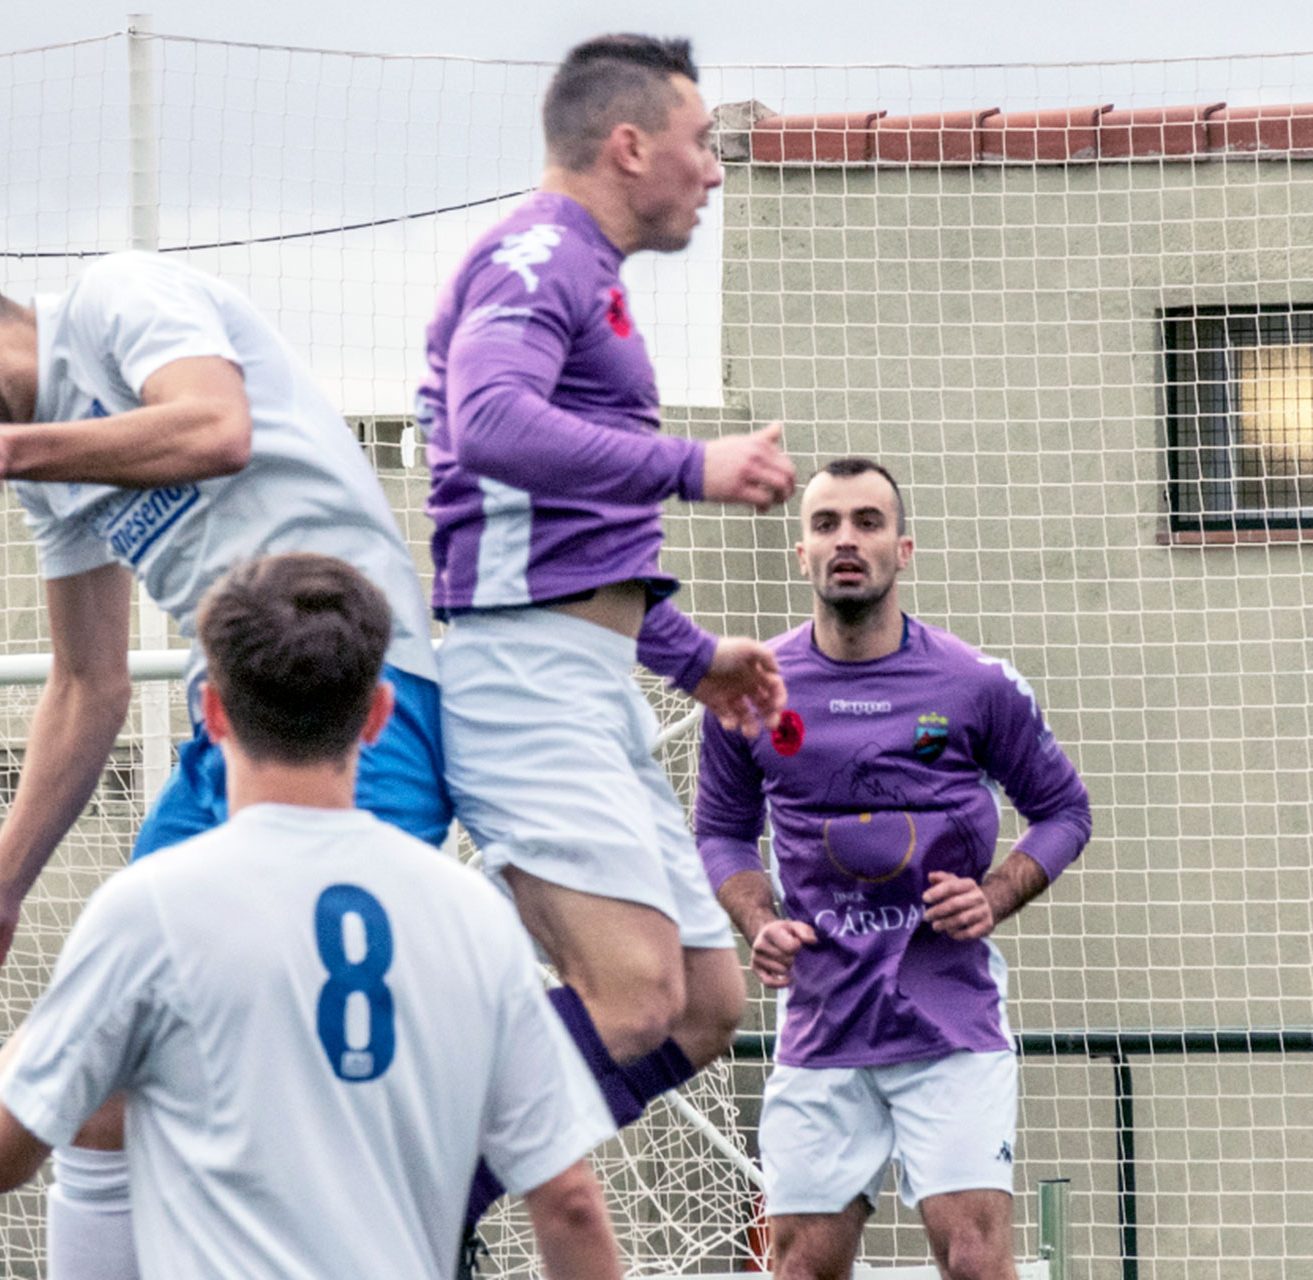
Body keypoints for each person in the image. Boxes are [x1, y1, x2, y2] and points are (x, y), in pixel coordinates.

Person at [0, 249, 451, 1277]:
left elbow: (217, 426)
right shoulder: (45, 468)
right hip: (222, 738)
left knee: (314, 1077)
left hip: (362, 710)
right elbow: (88, 685)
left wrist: (18, 447)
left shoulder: (121, 299)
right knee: (104, 1078)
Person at [0, 553, 625, 1280]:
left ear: (213, 711)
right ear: (378, 714)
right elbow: (570, 1206)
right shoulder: (474, 917)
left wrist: (37, 1034)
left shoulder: (149, 909)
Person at [418, 32, 797, 1226]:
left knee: (704, 1002)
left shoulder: (588, 273)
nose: (717, 172)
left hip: (586, 676)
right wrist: (694, 464)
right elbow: (487, 422)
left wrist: (693, 654)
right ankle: (391, 1195)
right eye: (704, 144)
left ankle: (421, 1196)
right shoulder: (539, 252)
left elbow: (569, 535)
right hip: (522, 682)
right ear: (630, 146)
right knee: (630, 996)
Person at [694, 458, 1093, 1280]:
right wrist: (759, 922)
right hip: (823, 1024)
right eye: (827, 523)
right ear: (801, 553)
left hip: (949, 1024)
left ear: (902, 548)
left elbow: (1065, 813)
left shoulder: (976, 684)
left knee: (977, 1260)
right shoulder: (749, 689)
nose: (848, 539)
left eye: (868, 523)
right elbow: (722, 834)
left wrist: (995, 894)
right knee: (799, 1266)